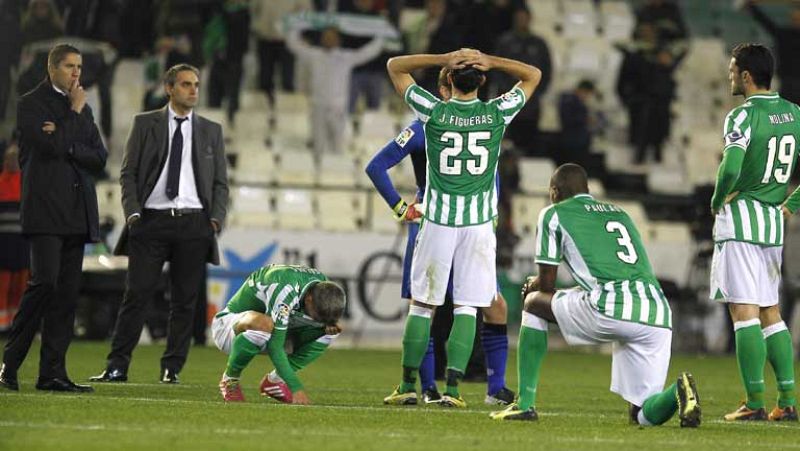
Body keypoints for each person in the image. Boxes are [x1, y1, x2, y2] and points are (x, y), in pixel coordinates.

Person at [383, 48, 540, 408]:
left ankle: (409, 386)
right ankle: (453, 391)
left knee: (423, 306)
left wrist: (444, 58)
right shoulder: (498, 112)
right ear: (482, 81)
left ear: (449, 80)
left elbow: (395, 67)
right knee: (468, 307)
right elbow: (533, 74)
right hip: (479, 225)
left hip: (438, 220)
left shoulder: (433, 111)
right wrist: (492, 59)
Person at [490, 163, 701, 427]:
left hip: (611, 307)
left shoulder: (553, 214)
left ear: (554, 191)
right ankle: (680, 389)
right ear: (587, 189)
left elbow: (546, 284)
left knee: (533, 304)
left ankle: (524, 404)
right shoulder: (620, 213)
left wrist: (533, 284)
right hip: (656, 314)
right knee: (643, 416)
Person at [90, 63, 229, 385]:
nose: (193, 90)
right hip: (150, 221)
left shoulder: (211, 130)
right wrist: (134, 214)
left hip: (194, 224)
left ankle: (172, 368)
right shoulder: (145, 124)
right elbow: (129, 174)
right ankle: (117, 366)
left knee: (184, 302)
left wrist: (215, 220)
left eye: (196, 84)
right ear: (169, 88)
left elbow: (221, 182)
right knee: (136, 296)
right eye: (185, 84)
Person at [0, 44, 107, 393]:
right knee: (44, 283)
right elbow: (50, 149)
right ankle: (9, 363)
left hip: (77, 213)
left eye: (79, 66)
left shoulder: (79, 108)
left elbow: (99, 158)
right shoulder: (30, 103)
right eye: (70, 66)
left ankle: (52, 374)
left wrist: (66, 136)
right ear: (52, 69)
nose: (77, 73)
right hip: (45, 211)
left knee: (66, 296)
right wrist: (73, 118)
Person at [710, 43, 799, 422]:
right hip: (772, 223)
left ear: (746, 75)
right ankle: (789, 400)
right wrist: (792, 205)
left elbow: (731, 168)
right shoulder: (795, 113)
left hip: (742, 218)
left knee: (743, 312)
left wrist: (716, 200)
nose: (730, 76)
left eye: (732, 70)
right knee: (770, 312)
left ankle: (754, 402)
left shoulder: (742, 117)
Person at [213, 264, 346, 404]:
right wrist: (296, 388)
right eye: (316, 316)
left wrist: (321, 330)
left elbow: (291, 340)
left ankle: (275, 382)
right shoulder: (286, 289)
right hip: (228, 330)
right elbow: (275, 347)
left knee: (330, 331)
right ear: (309, 299)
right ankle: (230, 380)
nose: (316, 320)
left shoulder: (321, 288)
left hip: (270, 334)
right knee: (265, 324)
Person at [285, 22, 383, 155]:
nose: (329, 40)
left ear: (338, 40)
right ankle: (318, 171)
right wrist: (297, 24)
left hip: (338, 109)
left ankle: (337, 172)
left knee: (338, 146)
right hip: (318, 107)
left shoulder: (346, 57)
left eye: (332, 37)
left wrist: (380, 35)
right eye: (326, 37)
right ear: (321, 39)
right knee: (318, 146)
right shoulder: (314, 55)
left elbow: (368, 52)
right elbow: (294, 45)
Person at [492, 7, 552, 151]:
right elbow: (494, 68)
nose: (521, 21)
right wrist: (507, 90)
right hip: (507, 101)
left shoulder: (539, 44)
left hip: (531, 103)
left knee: (529, 144)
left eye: (524, 18)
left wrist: (537, 91)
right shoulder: (505, 41)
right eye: (519, 18)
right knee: (506, 144)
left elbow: (547, 70)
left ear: (530, 19)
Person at [743, 0, 800, 105]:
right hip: (788, 83)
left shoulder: (783, 35)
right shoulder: (784, 35)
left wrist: (751, 8)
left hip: (787, 84)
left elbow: (766, 23)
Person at [0, 141, 28, 332]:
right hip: (4, 242)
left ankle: (18, 323)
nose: (12, 162)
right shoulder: (1, 183)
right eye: (9, 158)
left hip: (23, 241)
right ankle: (3, 323)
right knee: (4, 283)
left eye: (15, 158)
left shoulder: (26, 182)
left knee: (22, 283)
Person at [557, 79, 598, 167]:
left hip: (576, 141)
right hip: (573, 142)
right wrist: (585, 119)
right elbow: (568, 119)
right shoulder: (570, 101)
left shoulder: (574, 102)